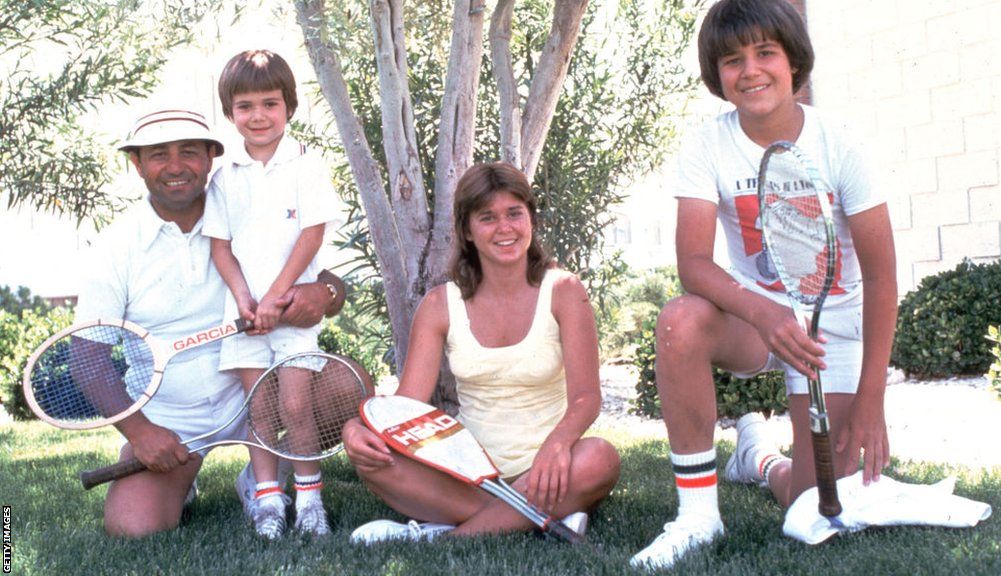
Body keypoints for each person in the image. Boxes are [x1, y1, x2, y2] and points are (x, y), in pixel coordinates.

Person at [630, 0, 898, 569]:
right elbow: (694, 263)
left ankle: (758, 457)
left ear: (793, 61)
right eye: (732, 59)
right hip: (758, 323)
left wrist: (872, 398)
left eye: (765, 53)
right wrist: (765, 313)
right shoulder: (707, 143)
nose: (750, 70)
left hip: (832, 330)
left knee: (817, 505)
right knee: (680, 319)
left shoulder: (840, 142)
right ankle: (698, 516)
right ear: (717, 74)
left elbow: (880, 276)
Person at [75, 108, 347, 538]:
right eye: (159, 155)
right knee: (133, 527)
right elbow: (86, 356)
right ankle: (182, 480)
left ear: (210, 159)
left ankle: (262, 474)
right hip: (172, 418)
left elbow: (325, 277)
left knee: (350, 388)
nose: (176, 166)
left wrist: (324, 294)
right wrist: (142, 433)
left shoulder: (250, 204)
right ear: (137, 164)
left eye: (189, 152)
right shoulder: (115, 245)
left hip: (259, 391)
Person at [342, 162, 621, 543]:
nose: (504, 228)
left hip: (550, 470)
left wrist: (556, 447)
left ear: (531, 220)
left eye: (514, 214)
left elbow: (587, 398)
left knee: (600, 458)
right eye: (487, 217)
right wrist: (355, 430)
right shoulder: (441, 304)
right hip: (464, 474)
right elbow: (406, 407)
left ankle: (443, 535)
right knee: (376, 463)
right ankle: (538, 517)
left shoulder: (564, 290)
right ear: (467, 231)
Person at [203, 49, 344, 539]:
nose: (258, 115)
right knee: (259, 409)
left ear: (289, 106)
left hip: (290, 314)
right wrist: (245, 300)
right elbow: (221, 248)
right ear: (229, 112)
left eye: (270, 103)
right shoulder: (224, 176)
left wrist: (276, 300)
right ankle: (267, 501)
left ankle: (309, 500)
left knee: (296, 406)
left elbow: (312, 237)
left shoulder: (307, 165)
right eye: (245, 106)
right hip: (244, 315)